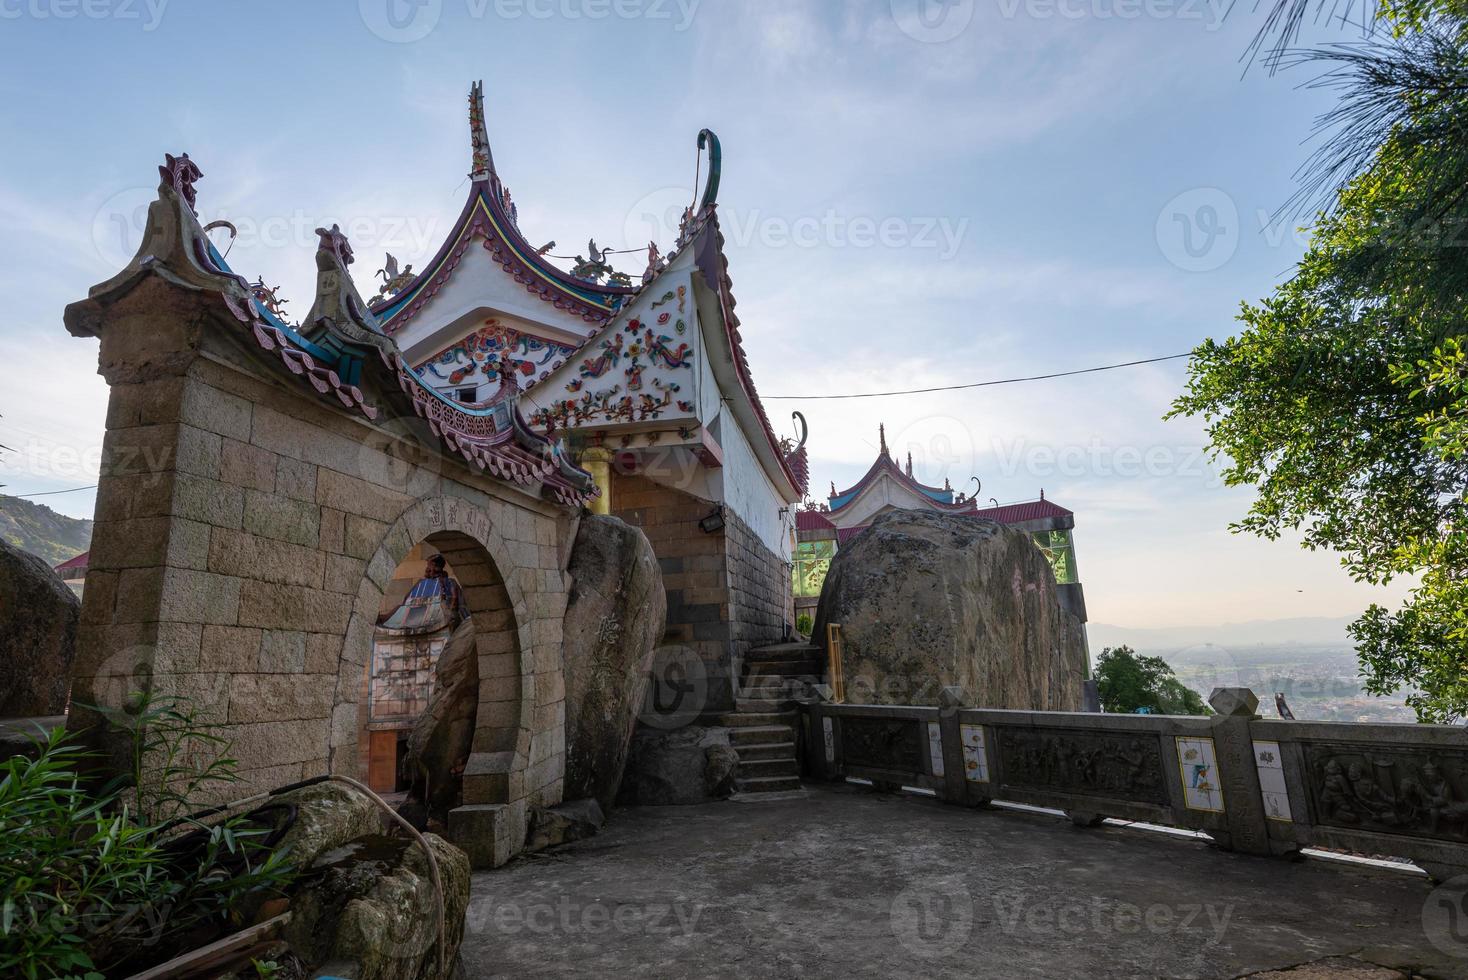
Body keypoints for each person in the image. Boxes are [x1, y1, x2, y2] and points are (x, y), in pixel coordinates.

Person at [379, 554, 469, 635]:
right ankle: (386, 618)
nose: (428, 568)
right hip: (417, 614)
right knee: (401, 606)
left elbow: (454, 599)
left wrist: (451, 611)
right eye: (428, 565)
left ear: (435, 566)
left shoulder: (448, 582)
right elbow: (406, 599)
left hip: (441, 613)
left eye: (430, 565)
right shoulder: (422, 583)